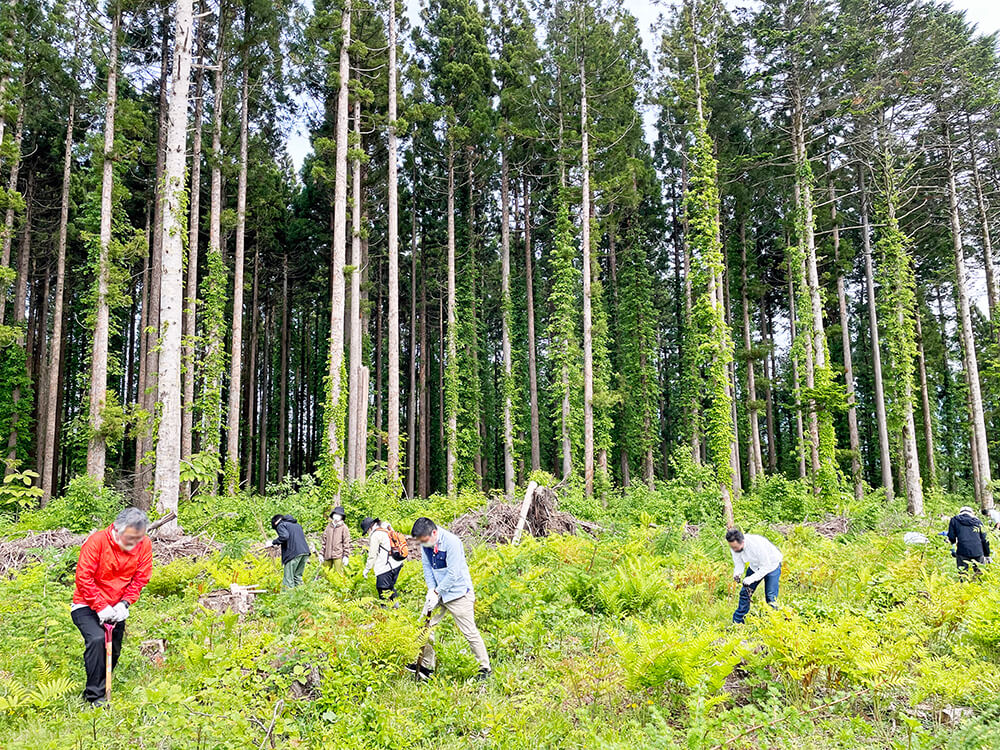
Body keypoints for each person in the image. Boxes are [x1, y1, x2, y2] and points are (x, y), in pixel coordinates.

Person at [71, 507, 153, 706]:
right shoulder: (97, 542)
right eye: (130, 539)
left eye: (138, 540)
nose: (134, 544)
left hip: (117, 607)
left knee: (113, 650)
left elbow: (141, 578)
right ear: (117, 530)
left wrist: (125, 603)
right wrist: (99, 606)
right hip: (86, 603)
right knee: (98, 640)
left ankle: (98, 686)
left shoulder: (144, 545)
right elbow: (84, 577)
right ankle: (95, 697)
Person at [406, 517, 491, 681]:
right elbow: (427, 568)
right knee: (425, 627)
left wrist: (437, 591)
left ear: (434, 533)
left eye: (425, 540)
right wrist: (431, 589)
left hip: (459, 593)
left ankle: (484, 668)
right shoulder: (426, 544)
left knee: (469, 632)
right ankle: (424, 665)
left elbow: (454, 574)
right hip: (438, 593)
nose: (423, 544)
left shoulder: (452, 543)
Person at [726, 528, 782, 624]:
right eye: (732, 547)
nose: (734, 550)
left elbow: (766, 567)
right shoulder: (735, 548)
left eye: (735, 547)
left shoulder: (757, 545)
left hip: (772, 566)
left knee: (771, 597)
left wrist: (751, 579)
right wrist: (737, 573)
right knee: (745, 594)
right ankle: (738, 623)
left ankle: (773, 622)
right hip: (755, 566)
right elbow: (739, 563)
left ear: (742, 542)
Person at [360, 517, 404, 603]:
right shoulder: (387, 528)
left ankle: (385, 611)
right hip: (397, 563)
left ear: (369, 528)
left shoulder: (376, 535)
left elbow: (372, 554)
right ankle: (397, 610)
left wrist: (367, 569)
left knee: (382, 589)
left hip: (386, 566)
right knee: (390, 587)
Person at [947, 506, 991, 577]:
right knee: (979, 574)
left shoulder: (954, 520)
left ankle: (963, 585)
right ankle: (978, 586)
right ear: (972, 513)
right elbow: (985, 539)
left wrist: (953, 542)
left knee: (963, 573)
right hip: (977, 550)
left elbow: (951, 536)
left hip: (962, 549)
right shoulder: (978, 521)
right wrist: (987, 554)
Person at [271, 514, 310, 589]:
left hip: (292, 554)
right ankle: (303, 597)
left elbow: (284, 536)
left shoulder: (281, 524)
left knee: (288, 580)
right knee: (297, 577)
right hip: (304, 552)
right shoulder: (297, 525)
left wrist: (273, 542)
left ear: (275, 523)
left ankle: (288, 598)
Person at [322, 506, 351, 573]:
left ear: (341, 517)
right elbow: (324, 541)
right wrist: (321, 554)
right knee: (325, 574)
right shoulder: (329, 526)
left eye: (339, 515)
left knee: (338, 575)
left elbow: (346, 542)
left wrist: (346, 555)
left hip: (338, 555)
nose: (337, 516)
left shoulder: (344, 528)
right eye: (335, 514)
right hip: (327, 554)